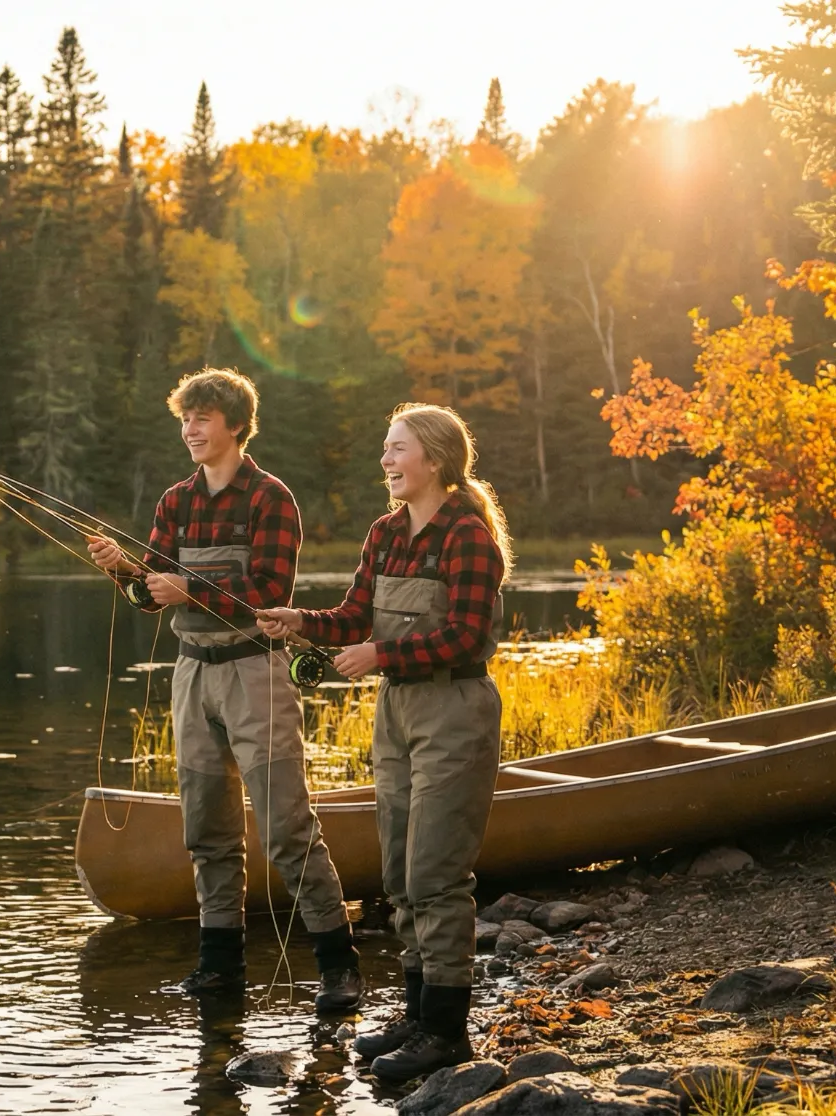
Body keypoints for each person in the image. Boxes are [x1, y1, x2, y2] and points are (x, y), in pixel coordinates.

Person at [86, 368, 361, 1013]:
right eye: (185, 419)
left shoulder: (271, 499)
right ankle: (220, 967)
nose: (191, 430)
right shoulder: (174, 502)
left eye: (203, 418)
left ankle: (339, 963)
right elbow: (152, 598)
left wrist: (189, 589)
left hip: (254, 673)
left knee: (287, 828)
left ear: (235, 425)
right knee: (206, 829)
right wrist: (125, 573)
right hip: (191, 674)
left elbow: (269, 592)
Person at [255, 402, 509, 1080]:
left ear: (434, 459)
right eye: (386, 449)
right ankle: (419, 1012)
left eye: (397, 450)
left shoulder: (468, 536)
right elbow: (352, 615)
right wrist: (297, 619)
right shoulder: (386, 532)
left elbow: (462, 635)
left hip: (455, 707)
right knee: (398, 871)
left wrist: (379, 655)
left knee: (436, 873)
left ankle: (448, 1033)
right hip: (397, 710)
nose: (386, 462)